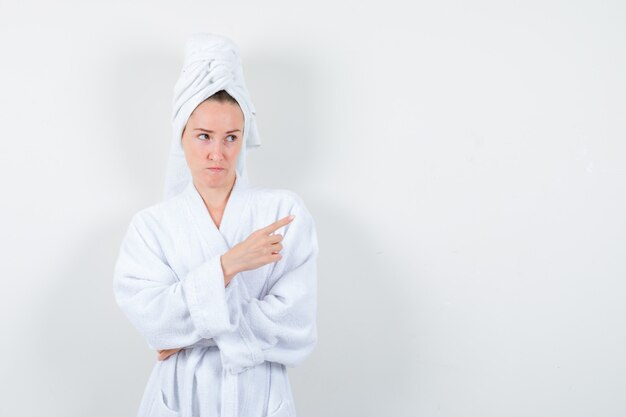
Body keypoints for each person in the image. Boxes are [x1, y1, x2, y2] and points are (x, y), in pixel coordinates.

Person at [113, 33, 318, 417]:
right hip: (179, 395)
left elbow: (297, 327)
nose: (217, 153)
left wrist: (189, 333)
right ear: (183, 137)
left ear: (243, 139)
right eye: (204, 136)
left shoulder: (283, 214)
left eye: (230, 138)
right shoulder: (151, 227)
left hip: (259, 395)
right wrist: (229, 265)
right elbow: (153, 321)